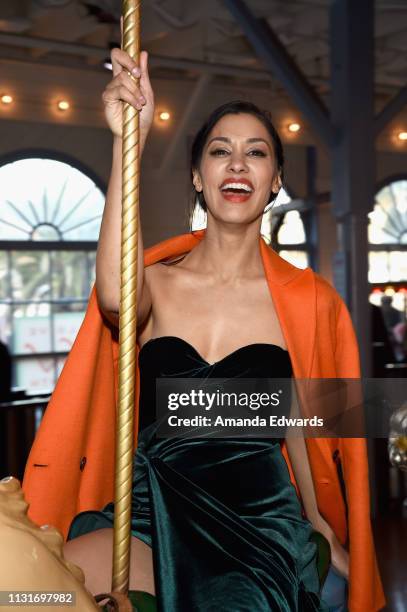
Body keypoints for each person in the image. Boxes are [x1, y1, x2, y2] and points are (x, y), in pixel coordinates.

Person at [22, 48, 385, 611]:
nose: (237, 164)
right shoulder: (154, 283)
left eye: (255, 153)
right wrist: (128, 143)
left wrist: (321, 527)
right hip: (152, 506)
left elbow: (308, 427)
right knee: (32, 592)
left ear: (274, 181)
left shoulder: (312, 300)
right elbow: (115, 299)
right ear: (197, 176)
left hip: (256, 518)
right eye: (220, 152)